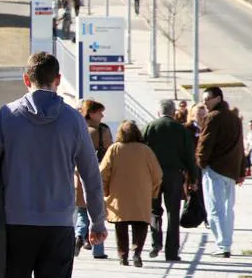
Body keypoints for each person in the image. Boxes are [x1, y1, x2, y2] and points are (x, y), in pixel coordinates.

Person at [0, 52, 107, 278]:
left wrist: (12, 173)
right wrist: (97, 222)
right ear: (57, 79)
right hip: (59, 224)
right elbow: (91, 176)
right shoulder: (74, 120)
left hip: (16, 223)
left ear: (26, 79)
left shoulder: (7, 115)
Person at [100, 121, 163, 268]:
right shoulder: (146, 150)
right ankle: (137, 253)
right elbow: (157, 175)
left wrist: (105, 191)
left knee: (120, 226)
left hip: (119, 196)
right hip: (141, 195)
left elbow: (103, 173)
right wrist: (153, 192)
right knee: (140, 224)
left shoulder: (114, 149)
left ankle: (123, 256)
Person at [143, 99, 197, 262]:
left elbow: (142, 150)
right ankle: (171, 252)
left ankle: (155, 243)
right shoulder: (181, 130)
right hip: (174, 175)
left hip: (153, 175)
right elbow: (189, 156)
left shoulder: (150, 127)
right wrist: (193, 178)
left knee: (154, 210)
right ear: (173, 112)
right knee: (173, 212)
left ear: (159, 111)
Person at [197, 87, 246, 258]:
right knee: (228, 209)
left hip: (215, 169)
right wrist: (241, 170)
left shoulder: (213, 117)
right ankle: (226, 242)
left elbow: (205, 142)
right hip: (231, 170)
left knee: (214, 209)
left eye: (208, 99)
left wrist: (201, 162)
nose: (205, 102)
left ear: (218, 98)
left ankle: (222, 246)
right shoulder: (234, 118)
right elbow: (240, 146)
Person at [74, 100, 112, 259]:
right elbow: (110, 154)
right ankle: (98, 250)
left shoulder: (76, 128)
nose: (102, 115)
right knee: (98, 214)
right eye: (99, 112)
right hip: (96, 174)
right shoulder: (101, 131)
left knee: (82, 212)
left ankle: (79, 235)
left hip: (77, 175)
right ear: (91, 113)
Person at [185, 103, 209, 220]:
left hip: (206, 164)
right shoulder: (187, 128)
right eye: (199, 114)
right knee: (194, 189)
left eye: (203, 115)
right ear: (193, 115)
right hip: (192, 164)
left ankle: (205, 215)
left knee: (206, 191)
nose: (201, 117)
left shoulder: (209, 127)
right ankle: (194, 214)